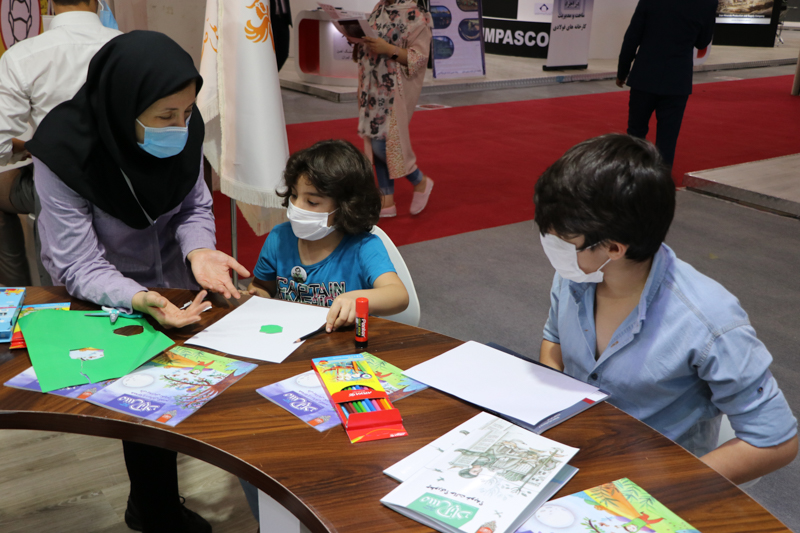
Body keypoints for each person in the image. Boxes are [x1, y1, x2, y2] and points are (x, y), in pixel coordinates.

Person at [26, 31, 250, 532]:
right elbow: (75, 263)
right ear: (123, 104)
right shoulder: (64, 152)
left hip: (178, 280)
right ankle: (154, 508)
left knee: (185, 390)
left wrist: (198, 250)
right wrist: (139, 296)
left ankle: (155, 503)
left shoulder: (186, 132)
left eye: (187, 112)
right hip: (105, 290)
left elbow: (194, 207)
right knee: (141, 403)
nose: (180, 127)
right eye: (165, 116)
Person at [534, 134, 797, 485]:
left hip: (653, 478)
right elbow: (554, 339)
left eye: (562, 242)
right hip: (578, 453)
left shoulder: (708, 320)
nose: (549, 246)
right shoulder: (577, 274)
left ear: (614, 249)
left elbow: (775, 441)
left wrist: (668, 488)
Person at [242, 139, 409, 521]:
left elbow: (397, 295)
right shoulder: (280, 238)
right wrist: (248, 296)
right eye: (294, 197)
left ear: (345, 206)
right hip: (286, 361)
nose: (298, 208)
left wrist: (358, 297)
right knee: (259, 445)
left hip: (343, 369)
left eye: (313, 201)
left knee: (340, 455)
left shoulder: (362, 246)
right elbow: (262, 288)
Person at [0, 0, 120, 286]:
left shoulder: (24, 55)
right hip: (121, 180)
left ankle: (18, 292)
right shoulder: (129, 46)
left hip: (57, 182)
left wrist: (25, 148)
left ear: (50, 3)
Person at [352, 0, 434, 218]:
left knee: (383, 144)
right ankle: (386, 198)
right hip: (371, 85)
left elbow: (419, 58)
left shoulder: (417, 15)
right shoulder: (379, 7)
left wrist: (388, 49)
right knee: (375, 139)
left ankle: (419, 180)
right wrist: (357, 40)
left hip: (392, 90)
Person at [616, 0, 717, 168]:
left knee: (635, 134)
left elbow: (633, 36)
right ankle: (661, 179)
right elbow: (702, 42)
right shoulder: (707, 3)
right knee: (667, 140)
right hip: (677, 79)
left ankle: (631, 176)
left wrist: (622, 71)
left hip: (645, 75)